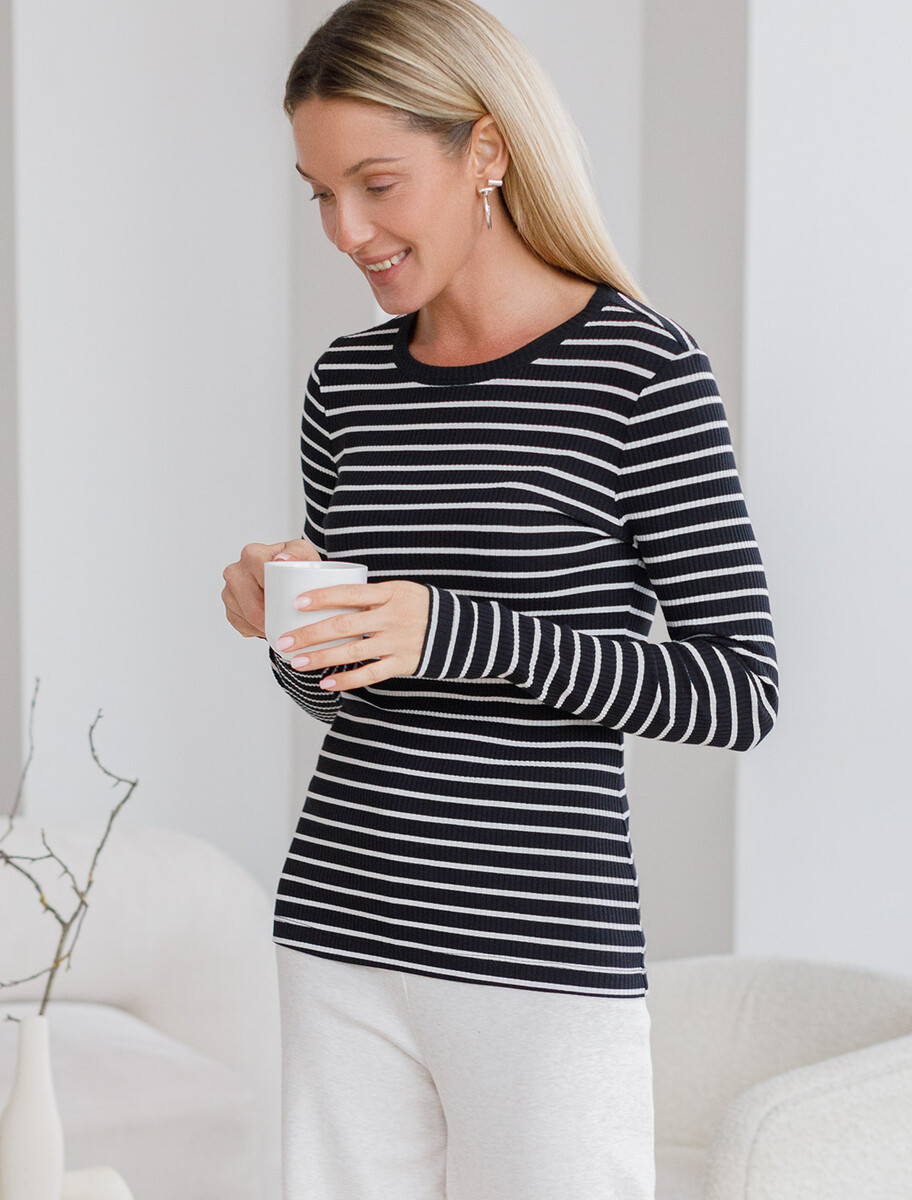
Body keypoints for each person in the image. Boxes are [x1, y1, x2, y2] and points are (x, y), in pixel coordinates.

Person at [220, 1, 778, 1197]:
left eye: (377, 183)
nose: (347, 231)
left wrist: (450, 628)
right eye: (321, 194)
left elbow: (737, 691)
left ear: (486, 150)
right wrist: (291, 624)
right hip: (341, 923)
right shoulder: (349, 385)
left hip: (538, 949)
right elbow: (355, 693)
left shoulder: (641, 371)